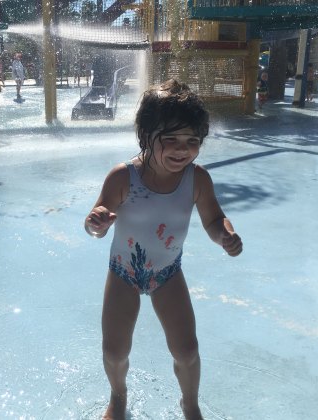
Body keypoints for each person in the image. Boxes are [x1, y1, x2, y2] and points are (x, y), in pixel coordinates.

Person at [84, 79, 243, 420]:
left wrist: (225, 234)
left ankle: (190, 404)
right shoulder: (123, 178)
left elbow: (214, 219)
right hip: (124, 274)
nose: (181, 150)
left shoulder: (197, 180)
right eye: (170, 139)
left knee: (187, 350)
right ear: (146, 135)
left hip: (168, 274)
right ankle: (118, 396)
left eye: (192, 141)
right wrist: (97, 223)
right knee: (114, 351)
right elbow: (96, 221)